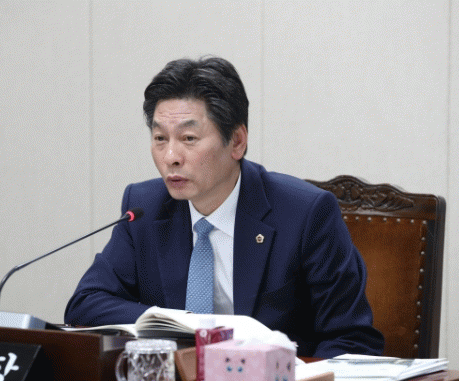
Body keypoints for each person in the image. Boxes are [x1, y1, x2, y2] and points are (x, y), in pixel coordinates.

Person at [65, 56, 384, 357]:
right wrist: (180, 324)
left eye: (189, 138)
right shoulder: (144, 208)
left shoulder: (305, 213)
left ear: (237, 142)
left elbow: (352, 339)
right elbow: (86, 304)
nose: (171, 157)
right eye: (160, 138)